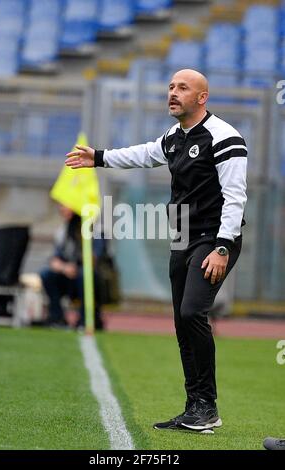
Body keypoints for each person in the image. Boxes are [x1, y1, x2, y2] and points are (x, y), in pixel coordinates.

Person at [65, 69, 247, 431]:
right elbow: (144, 154)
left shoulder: (225, 137)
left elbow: (235, 197)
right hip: (183, 236)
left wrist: (223, 248)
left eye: (182, 88)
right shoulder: (174, 137)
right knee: (182, 319)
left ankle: (207, 406)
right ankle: (195, 407)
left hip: (213, 239)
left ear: (202, 97)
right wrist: (99, 157)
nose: (173, 93)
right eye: (170, 87)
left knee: (193, 310)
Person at [40, 204, 104, 329]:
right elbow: (55, 260)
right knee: (46, 274)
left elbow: (95, 259)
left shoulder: (94, 230)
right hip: (66, 274)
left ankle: (86, 319)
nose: (62, 209)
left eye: (66, 206)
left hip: (88, 277)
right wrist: (65, 268)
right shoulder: (63, 231)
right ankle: (56, 317)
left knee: (85, 274)